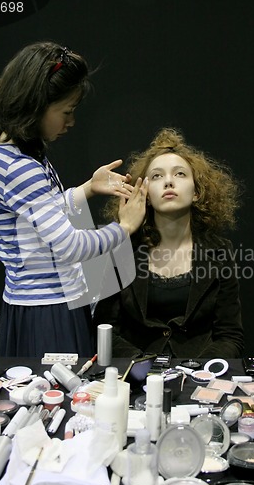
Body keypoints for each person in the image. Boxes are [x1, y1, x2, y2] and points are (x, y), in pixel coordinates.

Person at [0, 41, 147, 357]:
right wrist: (124, 228)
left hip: (50, 304)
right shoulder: (19, 167)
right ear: (35, 105)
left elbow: (37, 217)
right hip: (47, 312)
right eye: (66, 111)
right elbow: (70, 246)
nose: (71, 122)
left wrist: (87, 188)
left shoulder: (19, 155)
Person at [94, 128, 244, 358]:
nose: (168, 182)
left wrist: (196, 373)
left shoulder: (220, 251)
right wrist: (142, 367)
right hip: (136, 378)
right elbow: (105, 330)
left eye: (180, 174)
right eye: (156, 176)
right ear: (144, 193)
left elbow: (230, 336)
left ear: (196, 192)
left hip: (200, 381)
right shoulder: (122, 249)